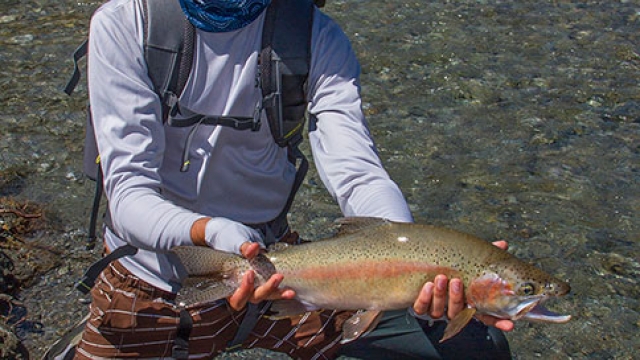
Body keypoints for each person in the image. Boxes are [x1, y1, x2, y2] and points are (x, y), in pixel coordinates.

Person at [74, 0, 514, 358]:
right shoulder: (125, 23)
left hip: (284, 273)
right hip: (150, 284)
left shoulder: (316, 34)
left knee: (476, 348)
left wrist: (411, 253)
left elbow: (357, 171)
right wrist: (213, 233)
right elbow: (128, 195)